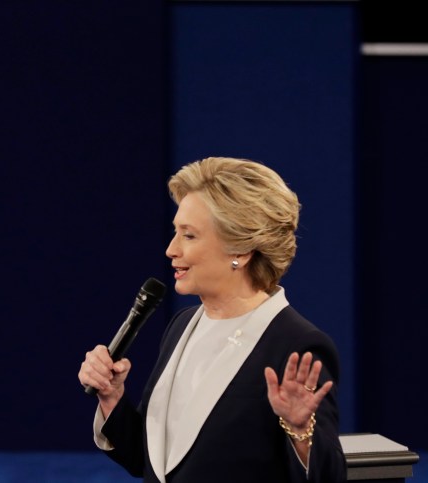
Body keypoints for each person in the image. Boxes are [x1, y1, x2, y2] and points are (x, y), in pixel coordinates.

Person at [78, 157, 346, 482]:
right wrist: (112, 398)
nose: (170, 249)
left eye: (189, 236)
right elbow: (150, 462)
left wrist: (301, 432)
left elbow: (330, 477)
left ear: (241, 249)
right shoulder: (181, 325)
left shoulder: (296, 344)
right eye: (175, 233)